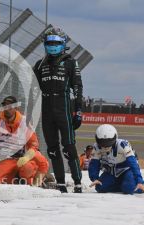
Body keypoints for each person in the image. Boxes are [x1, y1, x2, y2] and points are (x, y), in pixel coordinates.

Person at [33, 27, 83, 193]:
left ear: (63, 44)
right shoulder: (39, 64)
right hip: (46, 108)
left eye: (56, 43)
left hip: (64, 107)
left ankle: (77, 182)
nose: (52, 45)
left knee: (69, 146)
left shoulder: (70, 62)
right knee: (52, 149)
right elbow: (33, 88)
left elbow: (77, 86)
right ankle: (61, 183)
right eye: (49, 43)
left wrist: (78, 111)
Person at [89, 124, 144, 194]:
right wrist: (95, 178)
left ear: (115, 137)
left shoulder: (123, 145)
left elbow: (133, 163)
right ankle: (124, 184)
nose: (105, 146)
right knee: (100, 188)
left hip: (127, 170)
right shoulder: (96, 147)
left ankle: (132, 185)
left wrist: (139, 181)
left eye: (108, 142)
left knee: (128, 189)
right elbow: (94, 164)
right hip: (111, 171)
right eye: (102, 142)